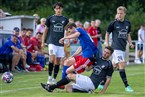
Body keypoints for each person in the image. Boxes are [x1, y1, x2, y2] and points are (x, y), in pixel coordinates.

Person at [41, 46, 114, 94]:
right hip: (89, 81)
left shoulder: (109, 64)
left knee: (70, 76)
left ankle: (51, 87)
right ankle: (88, 91)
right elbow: (89, 69)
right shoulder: (97, 59)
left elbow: (108, 79)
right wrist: (86, 67)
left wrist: (102, 91)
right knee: (68, 89)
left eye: (107, 53)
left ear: (110, 55)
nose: (105, 53)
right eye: (105, 51)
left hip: (93, 83)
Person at [105, 6, 134, 92]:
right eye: (118, 13)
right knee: (122, 64)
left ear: (124, 14)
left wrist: (131, 43)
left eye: (121, 13)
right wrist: (107, 44)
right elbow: (107, 33)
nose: (119, 15)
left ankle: (102, 82)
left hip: (122, 48)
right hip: (115, 48)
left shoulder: (128, 23)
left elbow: (128, 34)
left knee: (113, 66)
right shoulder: (113, 23)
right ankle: (127, 86)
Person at [41, 2, 69, 84]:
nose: (58, 10)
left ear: (62, 9)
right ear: (54, 9)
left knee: (58, 61)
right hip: (51, 42)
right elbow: (45, 31)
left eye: (60, 8)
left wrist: (66, 41)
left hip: (60, 43)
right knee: (52, 59)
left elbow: (66, 31)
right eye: (57, 8)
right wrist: (43, 42)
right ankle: (49, 77)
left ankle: (54, 78)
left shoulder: (65, 19)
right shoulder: (50, 18)